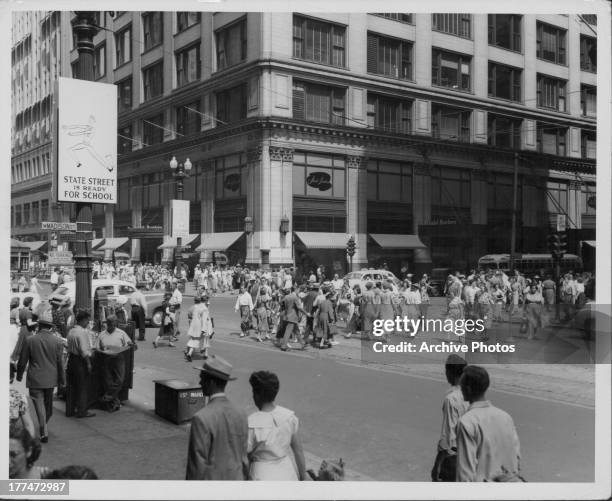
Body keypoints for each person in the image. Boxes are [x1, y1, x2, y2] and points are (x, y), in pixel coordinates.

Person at [186, 356, 248, 480]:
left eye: (202, 379)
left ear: (211, 382)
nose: (200, 383)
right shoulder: (241, 413)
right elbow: (244, 457)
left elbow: (197, 465)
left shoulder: (202, 418)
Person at [455, 366, 522, 482]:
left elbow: (465, 474)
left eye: (462, 386)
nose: (460, 389)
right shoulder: (506, 417)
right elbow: (516, 458)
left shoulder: (467, 422)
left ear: (468, 389)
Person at [246, 371, 307, 480]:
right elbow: (298, 451)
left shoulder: (251, 423)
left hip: (261, 474)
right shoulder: (288, 417)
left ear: (256, 395)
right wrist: (303, 477)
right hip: (286, 472)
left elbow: (244, 456)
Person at [16, 309, 65, 443]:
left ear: (39, 325)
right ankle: (44, 427)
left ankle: (43, 425)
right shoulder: (57, 341)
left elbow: (22, 361)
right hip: (51, 379)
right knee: (47, 405)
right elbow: (60, 363)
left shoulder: (30, 340)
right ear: (50, 326)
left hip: (35, 378)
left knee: (39, 405)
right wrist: (62, 379)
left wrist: (19, 375)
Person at [431, 355, 469, 482]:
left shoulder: (451, 399)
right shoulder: (471, 393)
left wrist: (437, 465)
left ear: (450, 373)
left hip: (454, 461)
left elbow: (448, 439)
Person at [96, 315, 133, 412]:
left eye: (112, 324)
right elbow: (97, 347)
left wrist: (130, 344)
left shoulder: (121, 333)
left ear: (115, 324)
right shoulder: (102, 334)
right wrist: (101, 350)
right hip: (106, 358)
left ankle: (106, 398)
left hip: (118, 357)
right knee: (108, 381)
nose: (110, 326)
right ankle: (115, 403)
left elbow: (129, 343)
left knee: (120, 380)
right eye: (109, 324)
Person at [66, 310, 96, 418]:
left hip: (71, 361)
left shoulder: (71, 331)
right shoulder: (82, 332)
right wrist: (88, 364)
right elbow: (84, 351)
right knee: (83, 387)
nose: (88, 323)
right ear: (83, 320)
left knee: (72, 386)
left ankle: (70, 410)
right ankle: (82, 411)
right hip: (80, 362)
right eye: (87, 320)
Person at [184, 295, 214, 362]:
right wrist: (203, 329)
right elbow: (204, 320)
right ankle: (204, 352)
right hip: (201, 326)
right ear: (206, 301)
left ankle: (190, 353)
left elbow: (193, 316)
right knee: (203, 339)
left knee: (195, 340)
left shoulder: (197, 306)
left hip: (194, 325)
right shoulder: (205, 309)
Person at [279, 286, 309, 351]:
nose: (299, 291)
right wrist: (306, 313)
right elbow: (299, 307)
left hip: (287, 315)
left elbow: (281, 303)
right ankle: (283, 346)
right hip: (292, 316)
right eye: (298, 290)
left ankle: (303, 343)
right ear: (296, 289)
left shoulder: (286, 297)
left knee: (297, 331)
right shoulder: (294, 297)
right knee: (288, 331)